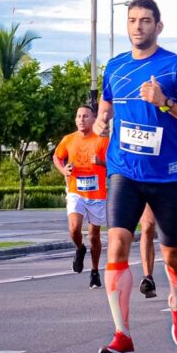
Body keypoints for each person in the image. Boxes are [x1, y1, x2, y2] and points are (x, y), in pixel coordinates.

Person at [93, 0, 177, 353]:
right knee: (116, 246)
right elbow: (106, 103)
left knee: (173, 253)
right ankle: (122, 335)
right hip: (123, 170)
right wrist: (100, 120)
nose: (138, 26)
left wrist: (164, 103)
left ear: (158, 27)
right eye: (132, 20)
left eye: (145, 20)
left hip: (167, 174)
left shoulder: (174, 67)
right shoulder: (114, 67)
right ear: (126, 26)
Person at [53, 105, 109, 289]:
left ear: (93, 119)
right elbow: (57, 157)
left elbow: (114, 162)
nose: (81, 119)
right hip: (75, 190)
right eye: (78, 116)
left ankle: (94, 271)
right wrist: (63, 169)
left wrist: (100, 162)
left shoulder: (102, 140)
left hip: (96, 194)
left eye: (85, 116)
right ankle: (79, 248)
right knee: (74, 228)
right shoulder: (68, 139)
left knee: (94, 235)